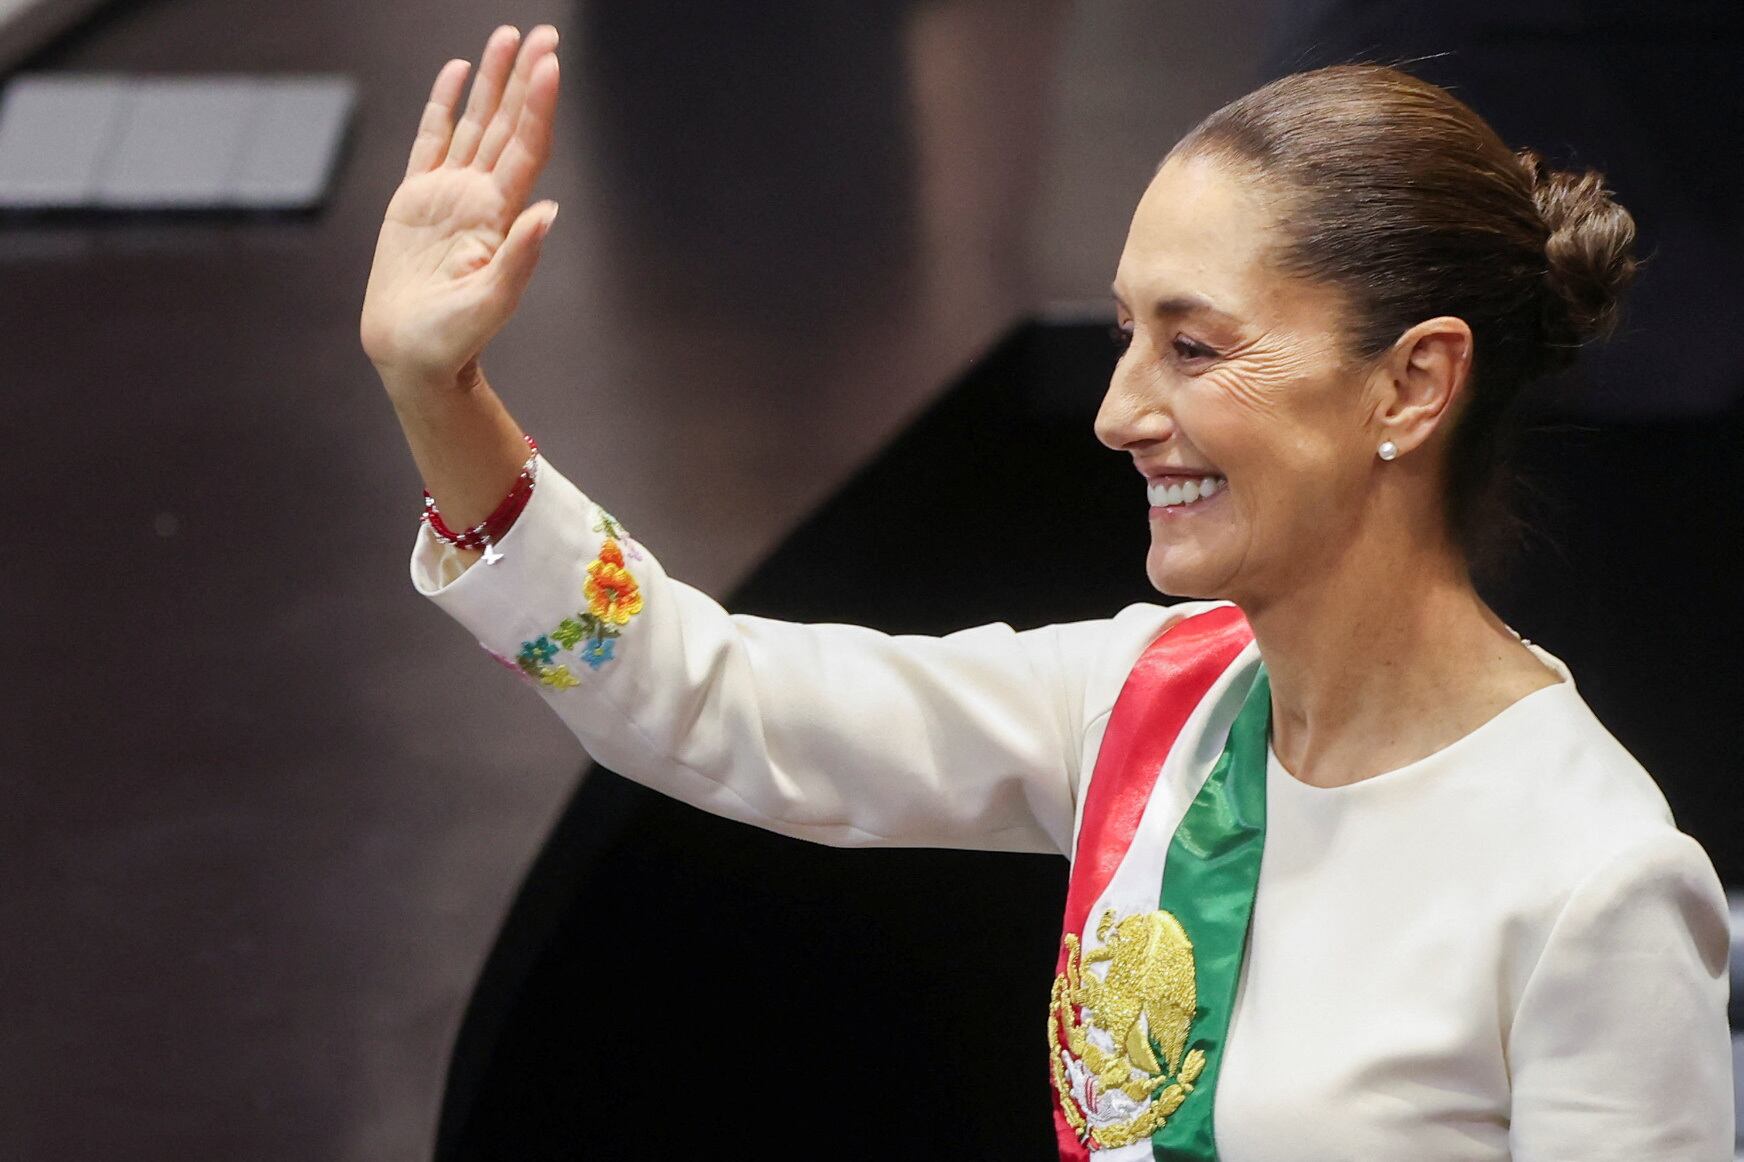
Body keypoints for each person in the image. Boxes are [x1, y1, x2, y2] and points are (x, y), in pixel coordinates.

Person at [359, 23, 1733, 1162]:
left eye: (1194, 347)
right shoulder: (1148, 702)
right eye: (1129, 333)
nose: (1119, 412)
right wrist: (441, 392)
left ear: (1412, 383)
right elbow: (702, 699)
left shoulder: (1593, 881)